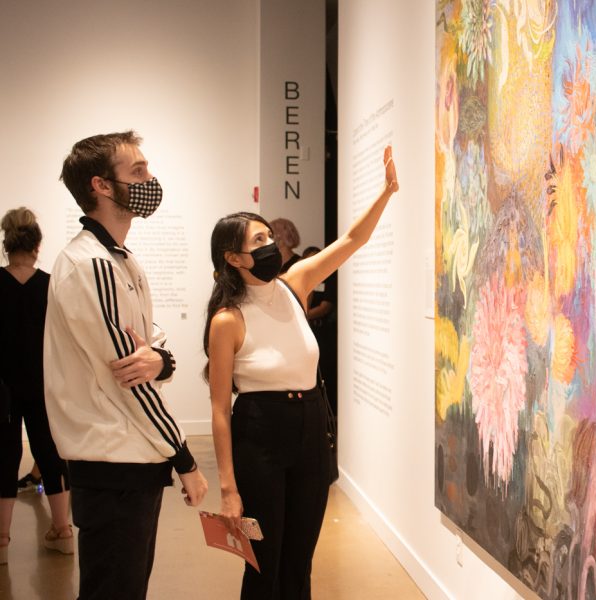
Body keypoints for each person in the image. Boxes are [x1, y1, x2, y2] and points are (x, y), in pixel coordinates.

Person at [204, 145, 399, 599]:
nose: (269, 245)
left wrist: (386, 192)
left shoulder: (295, 285)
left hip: (311, 429)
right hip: (260, 437)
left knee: (299, 562)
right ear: (233, 258)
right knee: (263, 564)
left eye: (268, 235)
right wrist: (228, 488)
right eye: (257, 241)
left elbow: (352, 240)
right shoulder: (228, 319)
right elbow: (218, 408)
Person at [45, 131, 208, 600]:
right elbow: (129, 377)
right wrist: (185, 459)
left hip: (128, 459)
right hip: (113, 461)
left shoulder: (123, 261)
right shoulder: (91, 264)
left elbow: (152, 346)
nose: (149, 179)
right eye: (137, 171)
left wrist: (161, 358)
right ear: (100, 185)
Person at [0, 207, 73, 565]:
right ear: (38, 244)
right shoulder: (50, 286)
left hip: (2, 389)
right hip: (44, 386)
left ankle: (1, 541)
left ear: (5, 242)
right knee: (51, 454)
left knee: (3, 457)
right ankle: (63, 532)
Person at [299, 246, 338, 416]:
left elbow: (325, 307)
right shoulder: (301, 279)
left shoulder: (330, 278)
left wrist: (303, 316)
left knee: (325, 371)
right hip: (305, 333)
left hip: (323, 333)